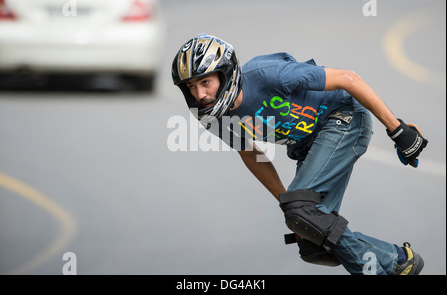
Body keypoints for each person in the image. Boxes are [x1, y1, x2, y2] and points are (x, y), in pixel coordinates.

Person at [171, 33, 428, 275]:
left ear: (226, 75)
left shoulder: (268, 75)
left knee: (304, 213)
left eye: (206, 82)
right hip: (307, 142)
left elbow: (348, 78)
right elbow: (250, 153)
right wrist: (288, 205)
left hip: (343, 117)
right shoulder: (212, 116)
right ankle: (400, 261)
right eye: (191, 87)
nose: (200, 95)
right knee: (313, 240)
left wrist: (397, 130)